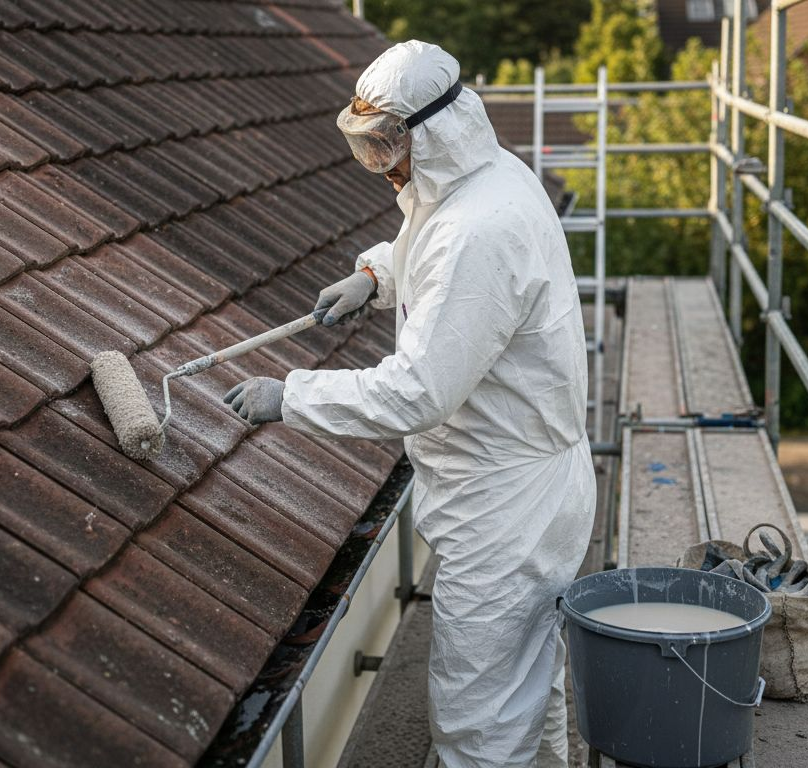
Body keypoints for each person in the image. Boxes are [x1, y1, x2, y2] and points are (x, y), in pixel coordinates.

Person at [223, 40, 595, 768]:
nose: (382, 164)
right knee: (530, 684)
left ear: (437, 130)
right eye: (368, 146)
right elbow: (427, 248)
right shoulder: (483, 180)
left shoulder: (477, 230)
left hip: (505, 514)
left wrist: (289, 395)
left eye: (389, 144)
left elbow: (416, 391)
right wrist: (375, 272)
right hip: (523, 489)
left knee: (478, 724)